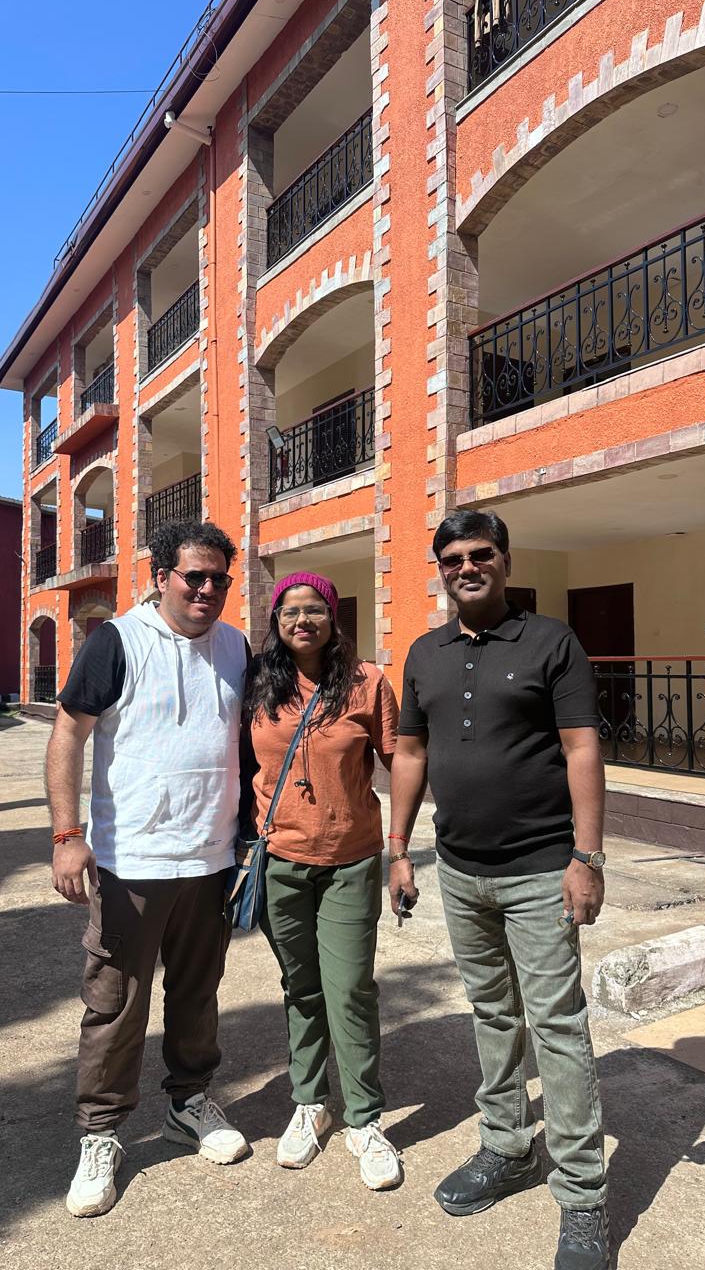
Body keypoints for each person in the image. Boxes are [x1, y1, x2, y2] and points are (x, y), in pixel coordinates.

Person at [388, 510, 609, 1270]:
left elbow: (581, 748)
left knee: (557, 1027)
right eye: (452, 559)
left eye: (480, 555)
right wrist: (399, 851)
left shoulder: (551, 641)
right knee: (491, 1013)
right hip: (459, 871)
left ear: (505, 561)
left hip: (541, 870)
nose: (467, 568)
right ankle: (508, 1147)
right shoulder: (425, 652)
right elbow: (409, 753)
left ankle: (583, 1196)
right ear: (441, 570)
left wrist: (587, 857)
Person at [46, 519, 252, 1219]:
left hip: (210, 859)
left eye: (219, 578)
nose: (207, 589)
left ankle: (189, 1104)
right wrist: (67, 835)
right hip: (131, 860)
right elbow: (68, 733)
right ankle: (101, 1133)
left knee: (197, 994)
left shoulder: (236, 646)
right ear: (161, 577)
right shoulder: (117, 641)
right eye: (194, 576)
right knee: (115, 1003)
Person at [249, 571, 402, 1190]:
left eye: (314, 609)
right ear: (276, 621)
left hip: (350, 859)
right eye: (290, 611)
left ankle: (365, 1118)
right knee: (301, 988)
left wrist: (401, 845)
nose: (302, 620)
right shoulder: (258, 684)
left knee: (350, 990)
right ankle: (311, 1103)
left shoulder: (367, 682)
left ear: (333, 618)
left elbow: (402, 760)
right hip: (279, 860)